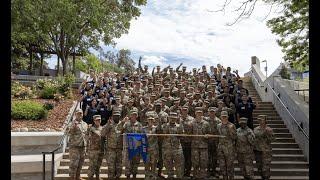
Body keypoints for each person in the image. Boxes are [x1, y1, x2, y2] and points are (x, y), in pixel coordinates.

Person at [118, 108, 143, 179]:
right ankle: (128, 176)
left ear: (137, 116)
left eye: (135, 115)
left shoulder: (139, 125)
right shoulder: (126, 124)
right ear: (130, 116)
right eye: (132, 115)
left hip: (136, 146)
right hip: (128, 146)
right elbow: (120, 130)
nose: (134, 116)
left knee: (136, 162)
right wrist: (123, 122)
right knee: (128, 163)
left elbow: (142, 135)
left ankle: (134, 175)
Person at [161, 112, 184, 179]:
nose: (173, 119)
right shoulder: (164, 126)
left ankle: (179, 177)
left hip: (176, 148)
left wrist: (181, 123)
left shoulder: (179, 126)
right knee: (168, 164)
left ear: (176, 118)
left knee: (179, 164)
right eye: (171, 118)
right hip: (167, 148)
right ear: (169, 118)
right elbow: (161, 133)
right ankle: (170, 176)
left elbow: (182, 136)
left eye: (174, 118)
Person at [66, 109, 88, 180]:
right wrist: (73, 127)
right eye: (78, 113)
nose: (80, 115)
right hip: (74, 147)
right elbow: (68, 132)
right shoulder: (72, 123)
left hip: (83, 146)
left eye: (81, 113)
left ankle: (78, 177)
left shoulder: (85, 124)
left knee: (80, 163)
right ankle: (72, 177)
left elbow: (86, 134)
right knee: (73, 164)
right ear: (75, 114)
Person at [101, 111, 124, 179]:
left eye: (118, 116)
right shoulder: (109, 124)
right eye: (115, 116)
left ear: (120, 117)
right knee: (111, 167)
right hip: (111, 150)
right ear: (113, 117)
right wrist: (108, 125)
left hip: (119, 149)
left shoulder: (122, 124)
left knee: (119, 167)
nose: (117, 117)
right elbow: (102, 134)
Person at [191, 107, 210, 179]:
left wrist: (208, 135)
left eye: (200, 113)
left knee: (203, 162)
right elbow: (189, 133)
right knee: (195, 162)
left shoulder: (206, 123)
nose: (199, 114)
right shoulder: (192, 123)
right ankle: (195, 176)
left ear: (202, 114)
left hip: (203, 146)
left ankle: (202, 176)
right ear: (195, 114)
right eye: (197, 113)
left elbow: (210, 133)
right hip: (195, 146)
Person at [254, 115, 275, 180]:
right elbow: (254, 139)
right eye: (259, 120)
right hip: (257, 151)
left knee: (265, 168)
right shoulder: (256, 129)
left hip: (266, 151)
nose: (260, 121)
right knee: (259, 168)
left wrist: (267, 134)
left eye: (261, 120)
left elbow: (272, 139)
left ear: (265, 120)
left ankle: (266, 177)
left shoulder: (269, 129)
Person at [217, 111, 237, 180]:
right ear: (220, 117)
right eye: (223, 117)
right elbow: (217, 136)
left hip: (229, 148)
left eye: (225, 116)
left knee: (230, 165)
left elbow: (235, 137)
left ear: (227, 117)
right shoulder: (218, 125)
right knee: (222, 165)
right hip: (221, 148)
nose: (224, 118)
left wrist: (231, 131)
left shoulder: (232, 126)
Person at [205, 107, 221, 178]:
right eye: (210, 112)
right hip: (207, 141)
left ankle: (214, 171)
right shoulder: (205, 120)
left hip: (215, 142)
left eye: (213, 112)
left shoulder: (218, 121)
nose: (211, 113)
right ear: (208, 112)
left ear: (215, 112)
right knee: (207, 157)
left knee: (214, 157)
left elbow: (220, 131)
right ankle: (208, 170)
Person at [86, 115, 104, 180]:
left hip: (101, 149)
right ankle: (90, 177)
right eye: (97, 120)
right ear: (94, 121)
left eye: (99, 120)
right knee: (92, 165)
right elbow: (87, 136)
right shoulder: (91, 128)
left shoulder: (102, 128)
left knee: (99, 164)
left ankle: (97, 176)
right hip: (93, 150)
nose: (98, 121)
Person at [179, 105, 194, 178]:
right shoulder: (178, 119)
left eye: (186, 110)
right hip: (180, 142)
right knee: (181, 158)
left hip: (189, 142)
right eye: (183, 110)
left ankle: (187, 172)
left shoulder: (192, 119)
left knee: (188, 158)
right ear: (181, 110)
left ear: (188, 110)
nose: (184, 111)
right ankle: (181, 172)